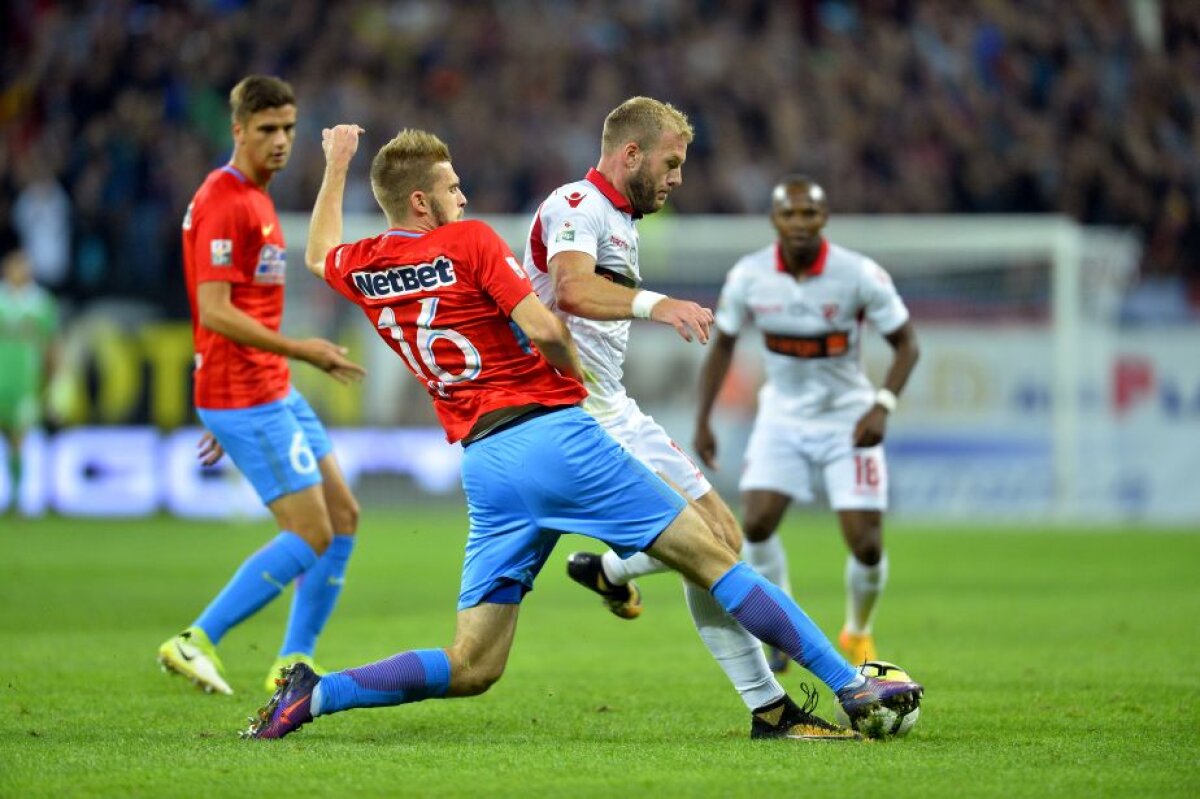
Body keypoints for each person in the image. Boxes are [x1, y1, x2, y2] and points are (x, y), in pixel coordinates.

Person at [240, 123, 921, 741]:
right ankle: (852, 684)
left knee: (473, 662)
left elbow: (317, 251)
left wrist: (335, 164)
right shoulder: (471, 241)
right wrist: (567, 374)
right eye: (451, 186)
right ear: (421, 202)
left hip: (485, 463)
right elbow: (544, 325)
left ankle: (317, 693)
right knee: (716, 555)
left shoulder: (367, 266)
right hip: (555, 435)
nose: (464, 194)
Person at [529, 97, 823, 736]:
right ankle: (768, 707)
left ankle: (610, 571)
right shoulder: (574, 206)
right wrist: (658, 304)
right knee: (704, 551)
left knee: (724, 538)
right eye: (671, 163)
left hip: (617, 406)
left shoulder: (623, 218)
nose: (678, 177)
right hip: (573, 410)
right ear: (630, 153)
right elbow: (572, 288)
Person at [157, 75, 366, 696]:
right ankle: (196, 639)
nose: (280, 141)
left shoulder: (255, 196)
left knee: (344, 516)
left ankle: (291, 661)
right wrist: (301, 351)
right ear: (239, 130)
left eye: (289, 129)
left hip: (260, 390)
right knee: (310, 533)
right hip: (247, 392)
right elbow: (215, 310)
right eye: (268, 129)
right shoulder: (225, 200)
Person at [694, 176, 920, 669]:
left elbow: (908, 343)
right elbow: (724, 345)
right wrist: (704, 419)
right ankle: (783, 627)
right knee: (754, 523)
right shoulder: (749, 276)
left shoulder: (859, 275)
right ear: (775, 220)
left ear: (824, 219)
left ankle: (857, 630)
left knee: (866, 543)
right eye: (790, 214)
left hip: (849, 419)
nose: (799, 223)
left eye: (809, 214)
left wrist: (882, 405)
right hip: (781, 418)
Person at [0, 248, 58, 511]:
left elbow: (51, 347)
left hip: (25, 383)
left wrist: (51, 382)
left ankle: (16, 496)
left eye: (23, 265)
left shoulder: (42, 304)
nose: (20, 270)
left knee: (18, 440)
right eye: (15, 265)